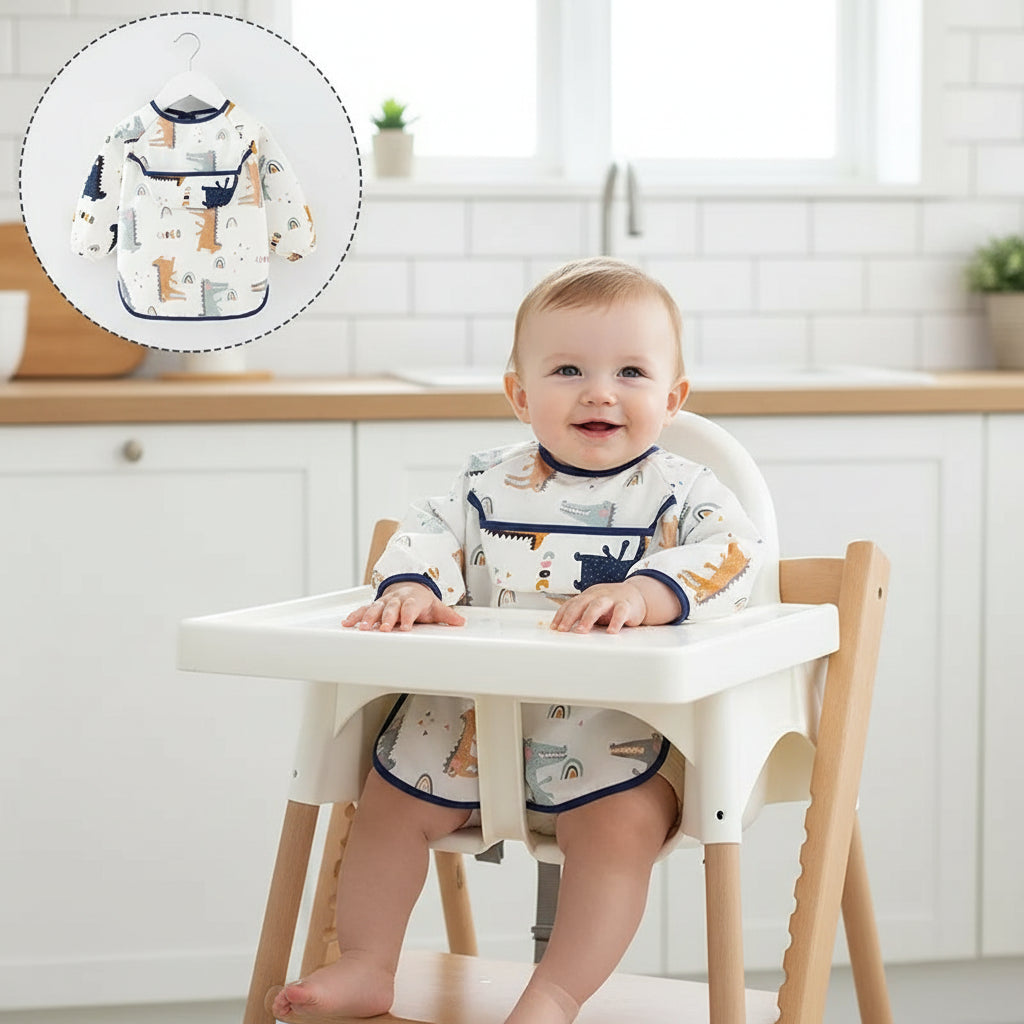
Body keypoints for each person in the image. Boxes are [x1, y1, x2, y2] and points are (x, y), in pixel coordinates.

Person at [269, 257, 764, 1024]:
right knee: (387, 808)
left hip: (615, 733)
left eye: (631, 371)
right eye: (569, 369)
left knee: (619, 833)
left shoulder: (686, 494)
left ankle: (553, 995)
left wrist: (646, 591)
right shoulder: (485, 486)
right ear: (520, 395)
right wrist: (412, 587)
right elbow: (425, 533)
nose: (600, 391)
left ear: (673, 399)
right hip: (469, 723)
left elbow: (733, 555)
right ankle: (367, 962)